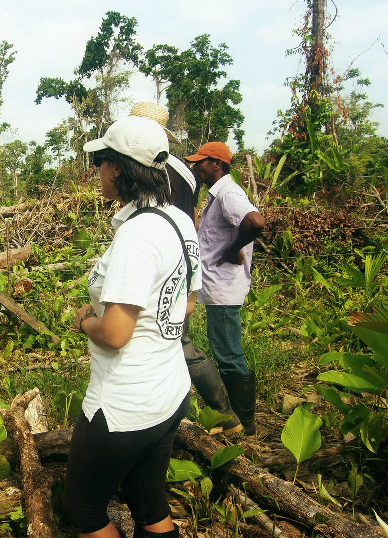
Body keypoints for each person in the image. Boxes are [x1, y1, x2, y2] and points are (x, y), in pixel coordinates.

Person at [63, 116, 201, 538]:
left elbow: (115, 334)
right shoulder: (178, 220)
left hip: (125, 403)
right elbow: (187, 302)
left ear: (118, 168)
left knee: (84, 509)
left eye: (100, 162)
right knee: (148, 503)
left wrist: (85, 321)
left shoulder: (137, 236)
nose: (97, 172)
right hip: (169, 390)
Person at [128, 103, 242, 434]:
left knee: (175, 342)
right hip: (182, 260)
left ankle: (223, 415)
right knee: (170, 340)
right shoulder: (184, 171)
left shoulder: (150, 168)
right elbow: (190, 219)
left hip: (156, 262)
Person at [185, 142, 265, 436]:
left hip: (224, 288)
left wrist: (233, 250)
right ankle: (238, 421)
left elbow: (255, 222)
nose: (196, 167)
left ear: (216, 164)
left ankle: (243, 423)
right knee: (225, 351)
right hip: (219, 287)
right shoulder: (217, 195)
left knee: (229, 354)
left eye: (201, 162)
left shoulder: (228, 194)